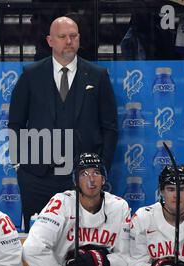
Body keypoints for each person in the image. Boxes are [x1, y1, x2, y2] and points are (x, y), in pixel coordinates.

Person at [9, 16, 118, 232]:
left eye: (73, 36)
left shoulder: (97, 76)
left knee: (85, 241)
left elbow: (110, 128)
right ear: (50, 41)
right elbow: (16, 123)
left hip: (83, 178)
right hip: (37, 177)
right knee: (38, 243)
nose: (69, 41)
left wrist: (99, 170)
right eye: (62, 37)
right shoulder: (31, 75)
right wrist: (20, 165)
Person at [23, 153, 131, 266]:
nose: (91, 179)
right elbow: (33, 249)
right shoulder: (61, 203)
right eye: (84, 174)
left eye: (96, 173)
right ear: (76, 180)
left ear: (103, 179)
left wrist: (98, 263)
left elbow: (125, 261)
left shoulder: (119, 207)